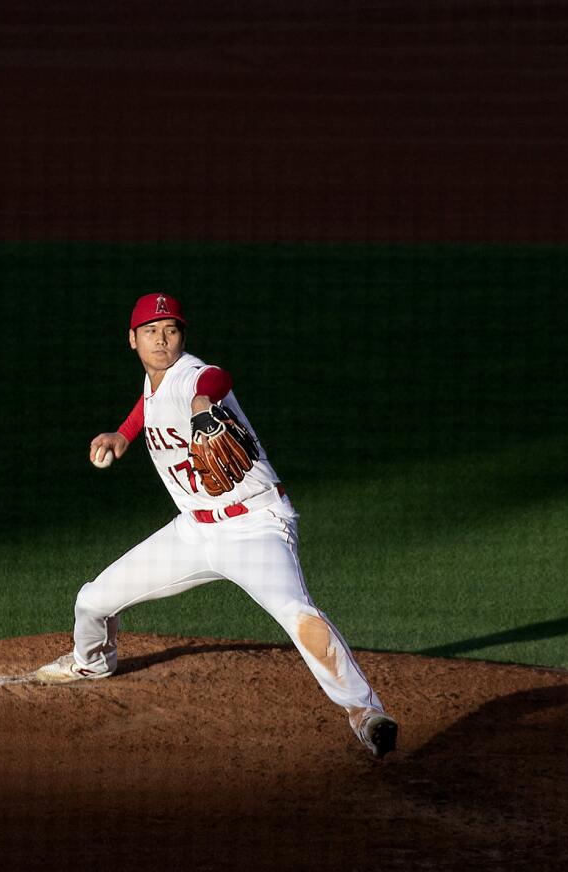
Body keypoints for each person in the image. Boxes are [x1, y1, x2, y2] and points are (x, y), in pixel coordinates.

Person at [34, 293, 398, 759]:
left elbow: (213, 378)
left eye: (171, 331)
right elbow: (151, 404)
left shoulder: (192, 375)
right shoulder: (157, 382)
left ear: (183, 336)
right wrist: (122, 435)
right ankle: (92, 663)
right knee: (92, 600)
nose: (162, 341)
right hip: (193, 532)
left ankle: (365, 713)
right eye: (151, 332)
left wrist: (205, 402)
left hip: (255, 527)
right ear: (133, 340)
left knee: (296, 612)